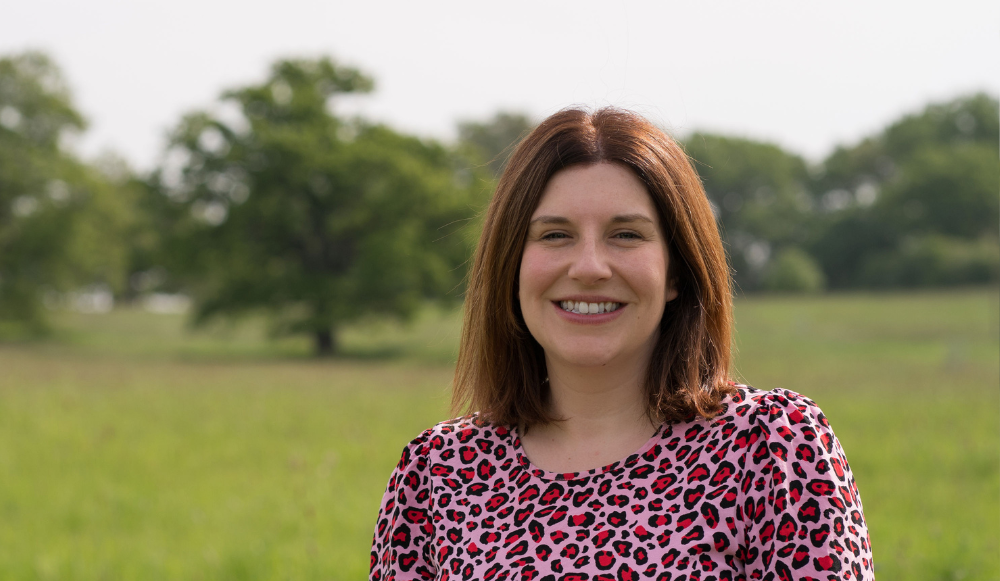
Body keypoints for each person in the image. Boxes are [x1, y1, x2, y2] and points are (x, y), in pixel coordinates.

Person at [369, 107, 873, 580]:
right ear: (511, 268)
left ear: (677, 270)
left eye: (626, 235)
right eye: (554, 236)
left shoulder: (772, 449)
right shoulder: (437, 474)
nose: (589, 267)